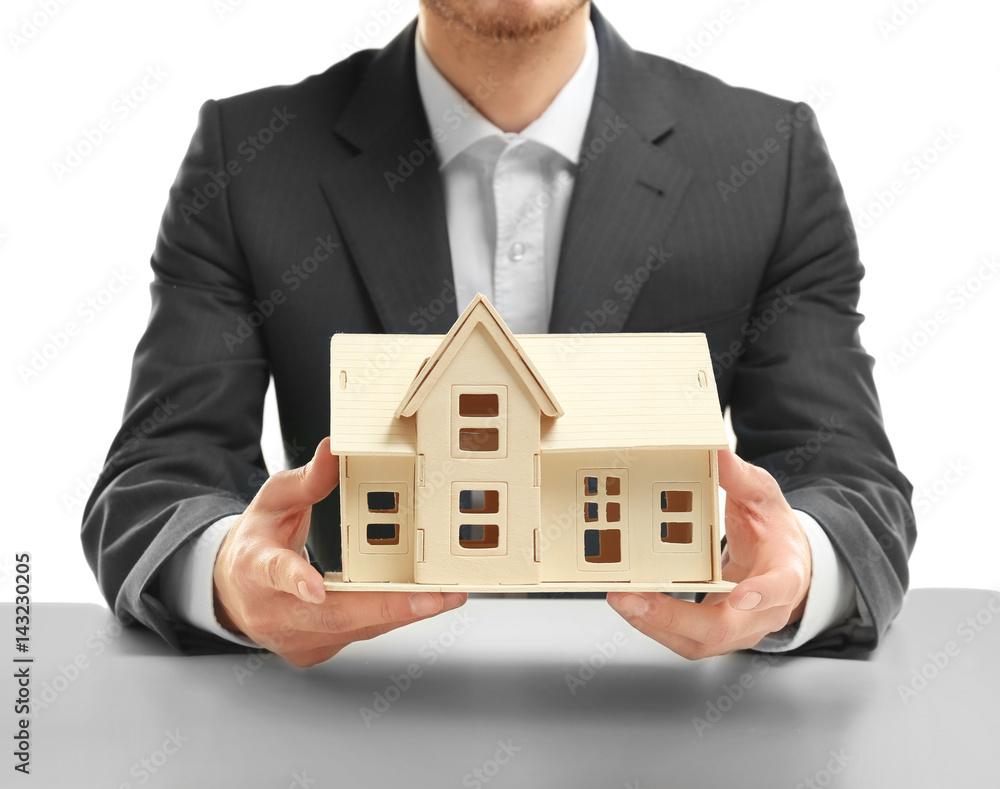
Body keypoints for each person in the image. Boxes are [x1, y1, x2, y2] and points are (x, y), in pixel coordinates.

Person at [82, 1, 915, 667]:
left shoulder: (769, 163)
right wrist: (231, 572)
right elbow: (155, 479)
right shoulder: (248, 161)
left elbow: (848, 482)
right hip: (347, 724)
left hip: (660, 737)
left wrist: (795, 569)